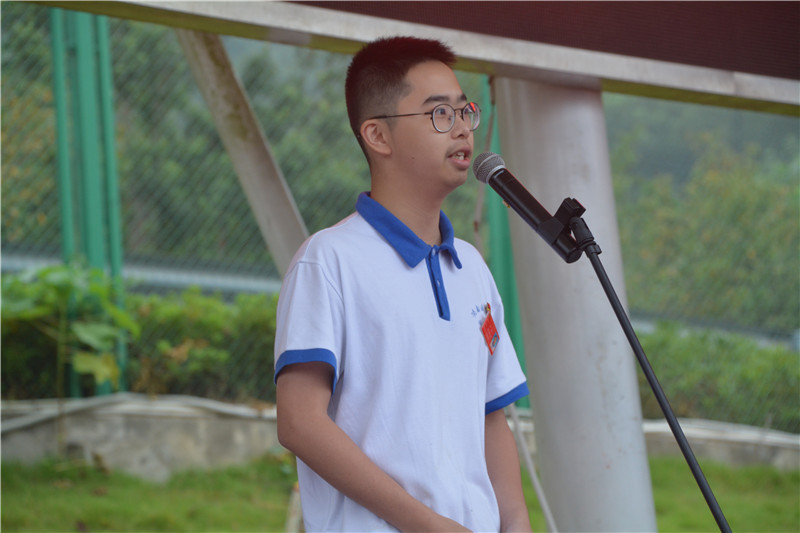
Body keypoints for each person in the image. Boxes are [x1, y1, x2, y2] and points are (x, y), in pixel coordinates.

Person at [274, 36, 532, 532]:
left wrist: (516, 523)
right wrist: (428, 525)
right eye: (440, 114)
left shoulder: (472, 268)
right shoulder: (328, 261)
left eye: (465, 111)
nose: (463, 128)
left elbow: (490, 416)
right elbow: (300, 422)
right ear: (378, 135)